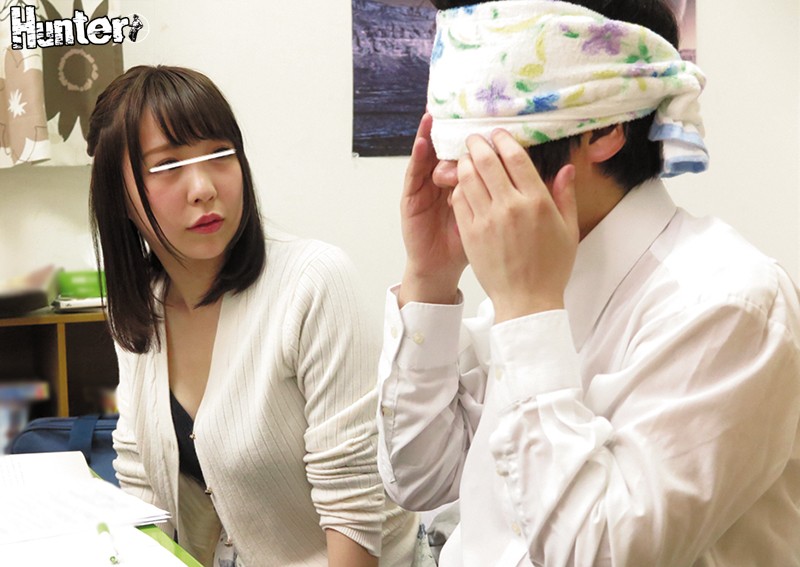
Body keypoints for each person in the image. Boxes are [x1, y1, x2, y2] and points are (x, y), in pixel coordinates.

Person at [376, 1, 800, 566]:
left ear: (603, 128)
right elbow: (420, 477)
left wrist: (528, 311)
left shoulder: (728, 305)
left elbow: (595, 554)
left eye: (479, 125)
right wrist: (430, 279)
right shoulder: (535, 285)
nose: (448, 167)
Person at [87, 65, 418, 567]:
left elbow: (353, 510)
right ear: (120, 198)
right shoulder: (142, 307)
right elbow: (141, 482)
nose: (203, 187)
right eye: (168, 165)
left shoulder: (313, 282)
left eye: (220, 155)